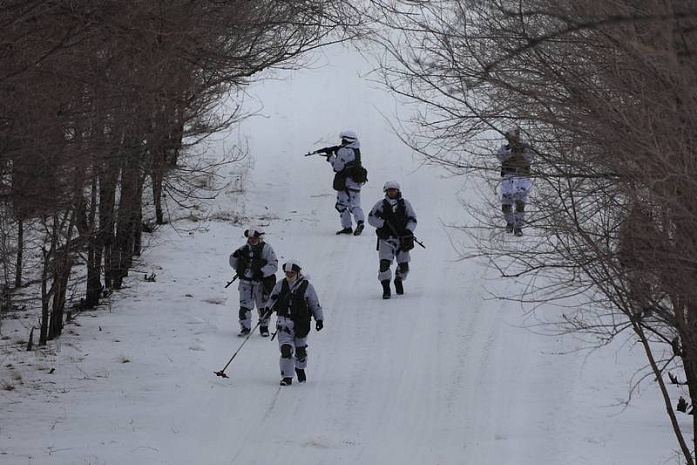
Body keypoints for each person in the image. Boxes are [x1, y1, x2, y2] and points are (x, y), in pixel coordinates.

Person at [262, 260, 324, 386]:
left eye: (292, 273)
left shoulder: (307, 286)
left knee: (300, 350)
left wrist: (319, 319)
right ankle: (287, 377)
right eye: (287, 273)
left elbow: (314, 304)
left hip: (301, 323)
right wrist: (267, 311)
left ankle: (300, 368)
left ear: (297, 273)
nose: (289, 275)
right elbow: (272, 299)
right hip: (284, 322)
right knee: (286, 349)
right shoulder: (280, 285)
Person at [367, 181, 418, 299]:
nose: (392, 192)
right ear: (386, 191)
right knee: (384, 264)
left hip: (402, 239)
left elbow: (413, 219)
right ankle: (386, 288)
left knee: (404, 265)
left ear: (397, 191)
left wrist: (408, 230)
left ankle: (398, 280)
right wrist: (382, 224)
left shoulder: (405, 204)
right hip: (386, 239)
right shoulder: (380, 205)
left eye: (394, 190)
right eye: (389, 190)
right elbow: (371, 218)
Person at [228, 226, 278, 337]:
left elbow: (274, 265)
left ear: (260, 238)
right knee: (244, 306)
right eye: (250, 238)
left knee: (263, 306)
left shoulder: (267, 249)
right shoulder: (243, 249)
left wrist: (262, 272)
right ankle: (245, 328)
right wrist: (234, 257)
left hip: (261, 283)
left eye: (254, 238)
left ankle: (264, 327)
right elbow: (233, 264)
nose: (252, 240)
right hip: (245, 283)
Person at [325, 130, 366, 236]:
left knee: (341, 205)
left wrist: (331, 158)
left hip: (346, 182)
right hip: (356, 182)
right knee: (355, 205)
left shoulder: (343, 151)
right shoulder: (356, 150)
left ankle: (347, 227)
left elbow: (337, 167)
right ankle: (360, 222)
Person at [496, 127, 533, 236]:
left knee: (520, 203)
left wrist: (521, 153)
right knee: (506, 204)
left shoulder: (525, 147)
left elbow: (530, 158)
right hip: (508, 177)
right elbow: (500, 156)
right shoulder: (505, 148)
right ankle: (510, 222)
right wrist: (511, 153)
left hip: (522, 177)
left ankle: (518, 227)